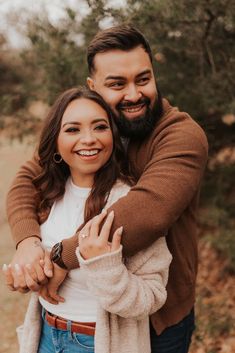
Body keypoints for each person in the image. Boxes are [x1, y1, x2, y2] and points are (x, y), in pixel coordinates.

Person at [4, 25, 208, 353]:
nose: (133, 94)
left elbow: (148, 212)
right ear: (93, 87)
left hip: (160, 316)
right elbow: (28, 179)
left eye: (143, 79)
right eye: (117, 83)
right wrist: (28, 242)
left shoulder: (181, 135)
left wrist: (60, 257)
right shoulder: (95, 132)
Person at [3, 86, 172, 353]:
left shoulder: (128, 201)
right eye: (73, 129)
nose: (89, 139)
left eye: (100, 127)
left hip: (96, 343)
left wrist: (104, 267)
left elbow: (152, 297)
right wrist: (27, 275)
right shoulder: (48, 192)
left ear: (114, 136)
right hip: (45, 335)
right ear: (55, 141)